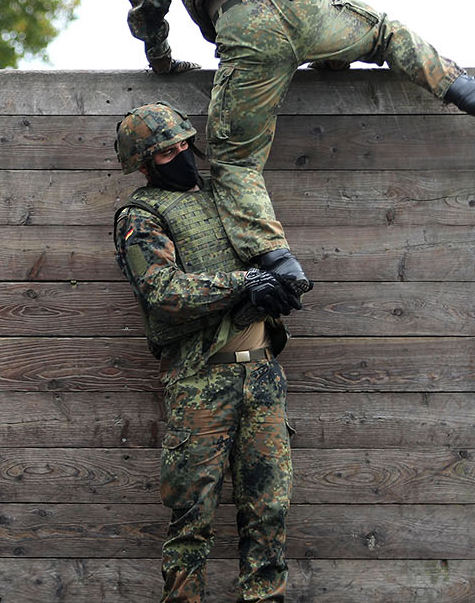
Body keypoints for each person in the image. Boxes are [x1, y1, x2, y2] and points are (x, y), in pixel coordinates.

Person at [125, 0, 475, 295]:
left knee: (236, 163)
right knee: (385, 31)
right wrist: (334, 50)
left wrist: (161, 58)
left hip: (247, 25)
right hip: (308, 5)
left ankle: (278, 262)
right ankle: (468, 91)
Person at [112, 102, 300, 603]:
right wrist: (245, 284)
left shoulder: (228, 196)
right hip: (200, 384)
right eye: (164, 152)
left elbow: (266, 248)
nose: (179, 155)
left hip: (262, 377)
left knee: (268, 515)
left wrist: (273, 286)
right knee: (190, 521)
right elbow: (163, 292)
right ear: (146, 164)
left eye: (181, 144)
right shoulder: (142, 215)